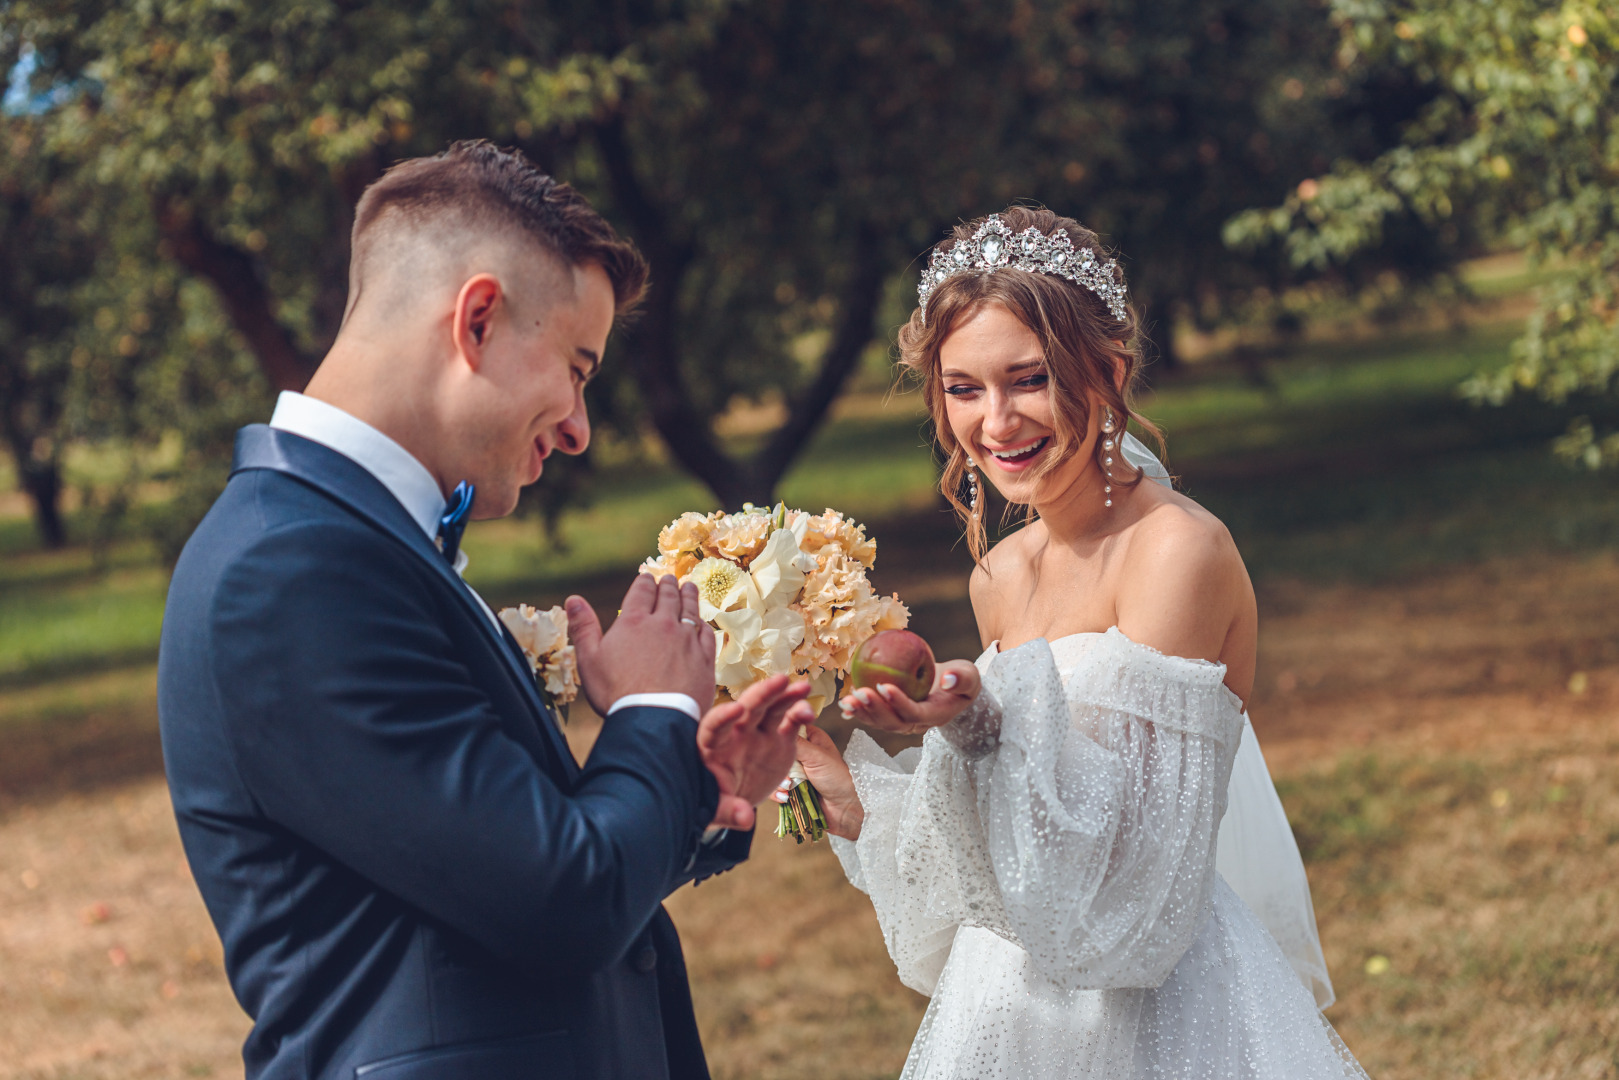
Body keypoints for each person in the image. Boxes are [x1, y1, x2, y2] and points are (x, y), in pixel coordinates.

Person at [157, 141, 815, 1080]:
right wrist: (648, 712)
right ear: (477, 321)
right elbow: (563, 902)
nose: (582, 426)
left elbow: (483, 868)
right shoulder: (290, 570)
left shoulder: (356, 540)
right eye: (579, 368)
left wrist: (693, 787)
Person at [784, 208, 1369, 1078]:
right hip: (1007, 1006)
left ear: (1107, 370)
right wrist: (849, 799)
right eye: (962, 388)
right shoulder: (998, 577)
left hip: (1152, 1018)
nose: (996, 423)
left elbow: (1132, 879)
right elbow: (1004, 867)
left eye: (1027, 379)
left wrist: (978, 725)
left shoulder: (1177, 552)